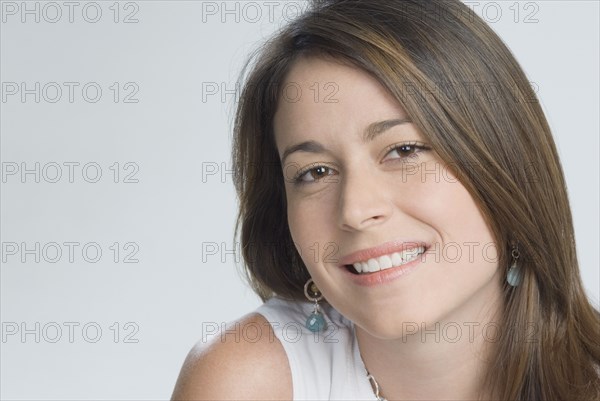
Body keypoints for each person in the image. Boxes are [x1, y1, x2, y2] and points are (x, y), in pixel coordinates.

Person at [171, 1, 600, 399]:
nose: (355, 211)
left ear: (506, 166)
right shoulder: (247, 382)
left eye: (404, 151)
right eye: (315, 172)